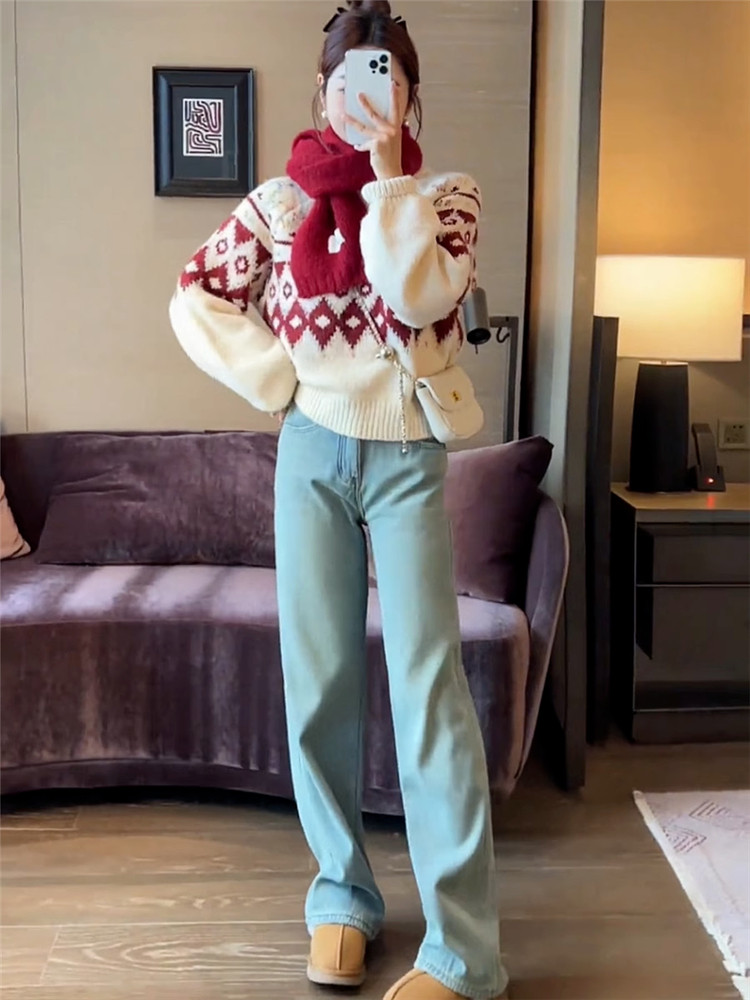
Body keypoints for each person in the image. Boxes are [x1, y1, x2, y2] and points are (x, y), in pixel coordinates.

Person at [169, 3, 509, 997]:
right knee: (317, 683)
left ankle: (466, 954)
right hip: (312, 450)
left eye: (383, 74)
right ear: (321, 91)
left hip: (406, 453)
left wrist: (390, 176)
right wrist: (278, 381)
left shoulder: (447, 198)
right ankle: (341, 895)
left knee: (429, 690)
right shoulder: (279, 204)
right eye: (346, 77)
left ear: (410, 94)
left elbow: (416, 297)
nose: (362, 93)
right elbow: (196, 293)